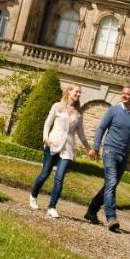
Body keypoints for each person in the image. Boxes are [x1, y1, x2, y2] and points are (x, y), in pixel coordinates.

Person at [84, 84, 130, 232]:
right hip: (109, 151)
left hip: (124, 155)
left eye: (127, 94)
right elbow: (101, 128)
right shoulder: (113, 110)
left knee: (109, 185)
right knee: (112, 182)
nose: (124, 96)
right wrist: (95, 147)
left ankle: (91, 212)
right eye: (123, 93)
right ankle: (111, 218)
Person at [29, 83, 91, 218]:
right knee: (45, 174)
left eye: (80, 93)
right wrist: (45, 138)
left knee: (59, 178)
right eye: (76, 91)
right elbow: (47, 123)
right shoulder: (57, 106)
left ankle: (52, 207)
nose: (78, 94)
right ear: (68, 92)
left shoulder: (79, 114)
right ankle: (33, 195)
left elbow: (81, 134)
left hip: (68, 148)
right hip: (53, 143)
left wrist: (89, 149)